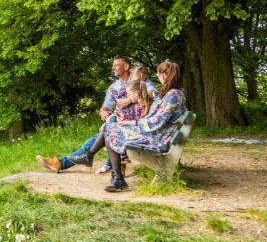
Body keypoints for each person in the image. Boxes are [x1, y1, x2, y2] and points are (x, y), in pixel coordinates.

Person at [67, 61, 186, 192]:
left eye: (158, 74)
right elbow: (155, 119)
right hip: (155, 133)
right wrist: (130, 122)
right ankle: (112, 174)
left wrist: (133, 123)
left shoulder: (173, 95)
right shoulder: (171, 93)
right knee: (111, 128)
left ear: (163, 75)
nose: (158, 77)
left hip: (156, 137)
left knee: (110, 129)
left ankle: (100, 165)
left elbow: (157, 121)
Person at [37, 56, 142, 174]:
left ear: (126, 67)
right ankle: (61, 163)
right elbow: (105, 106)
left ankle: (64, 162)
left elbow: (152, 95)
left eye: (116, 65)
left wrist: (129, 100)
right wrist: (102, 111)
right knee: (99, 135)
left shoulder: (138, 82)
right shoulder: (113, 87)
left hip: (133, 125)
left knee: (104, 131)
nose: (113, 68)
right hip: (119, 124)